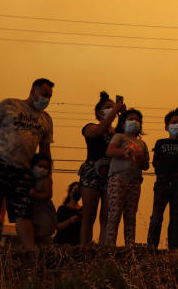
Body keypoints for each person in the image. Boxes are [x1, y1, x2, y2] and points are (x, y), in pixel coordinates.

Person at [0, 78, 55, 249]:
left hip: (24, 169)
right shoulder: (9, 104)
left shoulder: (46, 119)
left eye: (50, 96)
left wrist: (47, 178)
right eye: (44, 94)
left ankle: (31, 250)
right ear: (33, 91)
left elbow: (45, 151)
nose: (47, 99)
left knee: (23, 210)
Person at [79, 92, 124, 246]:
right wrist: (114, 111)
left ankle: (104, 247)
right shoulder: (90, 127)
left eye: (113, 107)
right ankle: (84, 248)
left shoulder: (117, 133)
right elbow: (98, 132)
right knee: (89, 214)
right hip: (92, 172)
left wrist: (122, 117)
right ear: (99, 112)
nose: (112, 110)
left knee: (107, 215)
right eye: (108, 108)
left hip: (110, 174)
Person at [147, 108, 178, 250]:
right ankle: (151, 247)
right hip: (162, 182)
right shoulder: (160, 142)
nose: (177, 125)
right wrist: (161, 170)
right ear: (167, 126)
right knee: (156, 216)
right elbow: (155, 161)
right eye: (174, 122)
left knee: (177, 217)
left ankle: (173, 248)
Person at [103, 108, 149, 246]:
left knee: (131, 214)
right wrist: (125, 151)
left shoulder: (142, 144)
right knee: (115, 212)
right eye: (131, 119)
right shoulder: (119, 137)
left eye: (137, 120)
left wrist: (139, 157)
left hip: (134, 181)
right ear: (123, 123)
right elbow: (109, 151)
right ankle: (110, 245)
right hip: (118, 178)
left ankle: (130, 244)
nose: (134, 122)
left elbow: (146, 165)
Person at [29, 154, 58, 246]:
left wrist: (35, 195)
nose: (42, 169)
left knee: (43, 237)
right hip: (33, 211)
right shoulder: (30, 178)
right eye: (40, 166)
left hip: (43, 213)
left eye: (45, 167)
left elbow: (48, 195)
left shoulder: (46, 180)